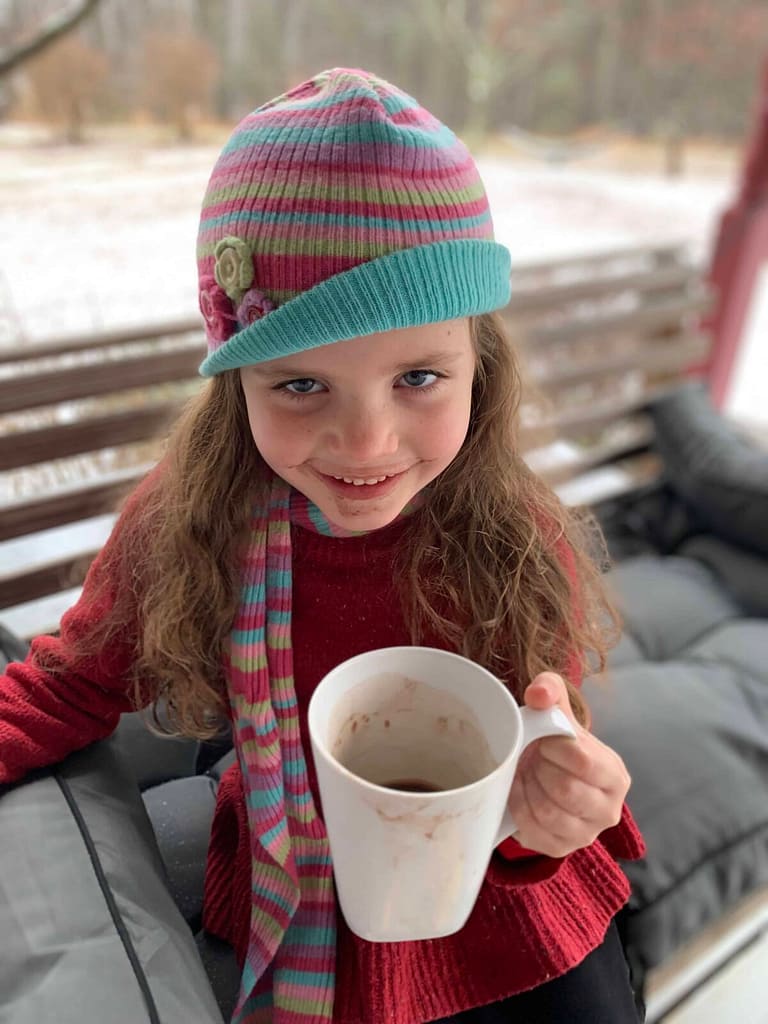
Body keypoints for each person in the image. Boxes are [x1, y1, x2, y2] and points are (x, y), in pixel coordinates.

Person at [0, 68, 646, 1024]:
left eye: (419, 375)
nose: (367, 445)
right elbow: (68, 685)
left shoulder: (514, 538)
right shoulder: (191, 523)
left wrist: (550, 815)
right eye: (301, 387)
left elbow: (541, 748)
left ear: (482, 364)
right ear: (238, 387)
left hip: (500, 901)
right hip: (286, 882)